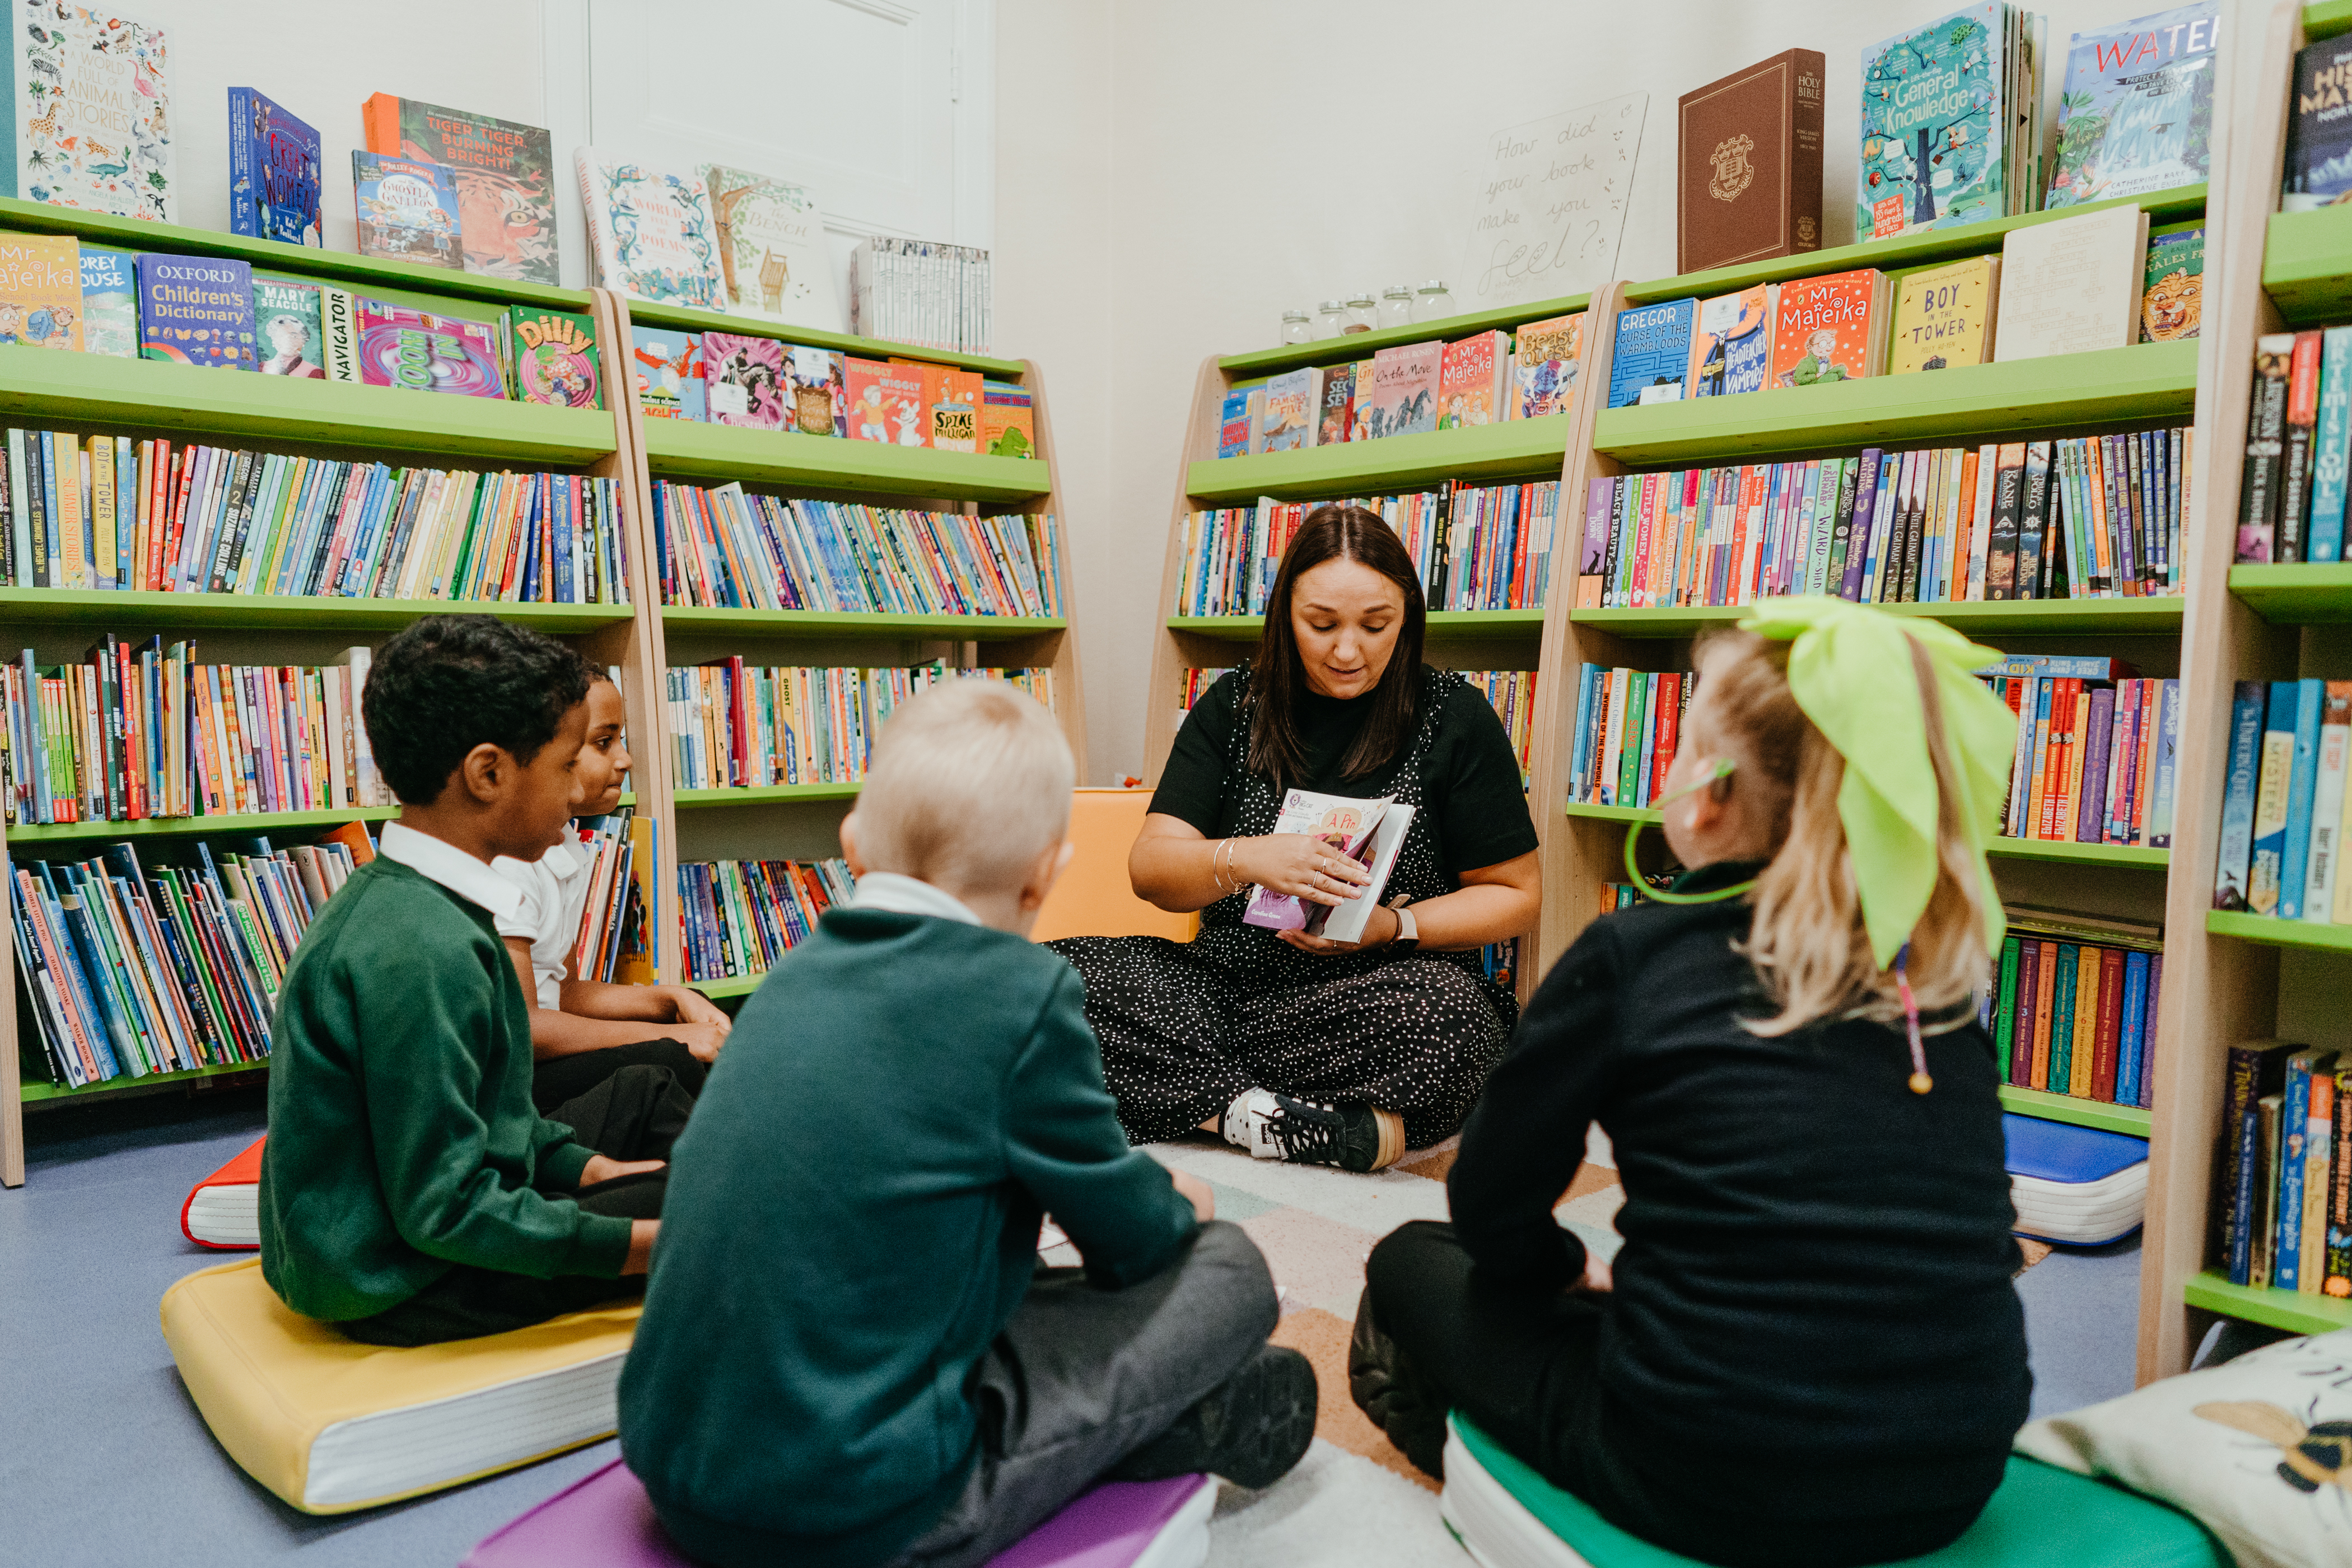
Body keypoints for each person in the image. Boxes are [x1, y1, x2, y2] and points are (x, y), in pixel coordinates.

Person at [1348, 600, 2033, 1568]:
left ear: (1705, 796)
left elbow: (1493, 1203)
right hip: (1958, 1472)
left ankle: (1479, 1460)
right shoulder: (1938, 979)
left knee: (1413, 1257)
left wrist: (1559, 1276)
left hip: (1707, 1474)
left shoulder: (1633, 955)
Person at [620, 681, 1315, 1568]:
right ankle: (1138, 1438)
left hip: (673, 1467)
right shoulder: (1022, 997)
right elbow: (1131, 1248)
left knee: (979, 1273)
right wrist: (1177, 1197)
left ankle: (1150, 1429)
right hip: (859, 1511)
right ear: (1045, 874)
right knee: (1228, 1268)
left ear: (851, 845)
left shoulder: (786, 980)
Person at [1049, 504, 1540, 1172]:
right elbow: (1152, 869)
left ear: (1409, 615)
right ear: (1285, 614)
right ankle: (1257, 1117)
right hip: (1228, 986)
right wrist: (1249, 857)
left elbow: (1516, 895)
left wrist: (1391, 925)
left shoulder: (1455, 717)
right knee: (1045, 982)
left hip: (1380, 989)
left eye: (1376, 625)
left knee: (1459, 1020)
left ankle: (1199, 1092)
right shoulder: (1234, 707)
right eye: (1321, 625)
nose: (1347, 650)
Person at [257, 615, 688, 1347]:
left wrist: (583, 1170)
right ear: (488, 774)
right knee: (737, 1198)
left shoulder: (422, 900)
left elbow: (489, 1112)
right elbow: (445, 1210)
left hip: (413, 1219)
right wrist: (645, 1247)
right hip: (396, 1277)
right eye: (561, 767)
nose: (575, 788)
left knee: (649, 1098)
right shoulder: (422, 951)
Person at [491, 669, 730, 1114]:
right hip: (513, 1081)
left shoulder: (562, 844)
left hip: (547, 1046)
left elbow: (564, 991)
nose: (625, 760)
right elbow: (522, 1029)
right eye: (605, 743)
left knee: (693, 1006)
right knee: (671, 1057)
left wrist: (671, 1000)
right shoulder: (510, 862)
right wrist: (671, 1037)